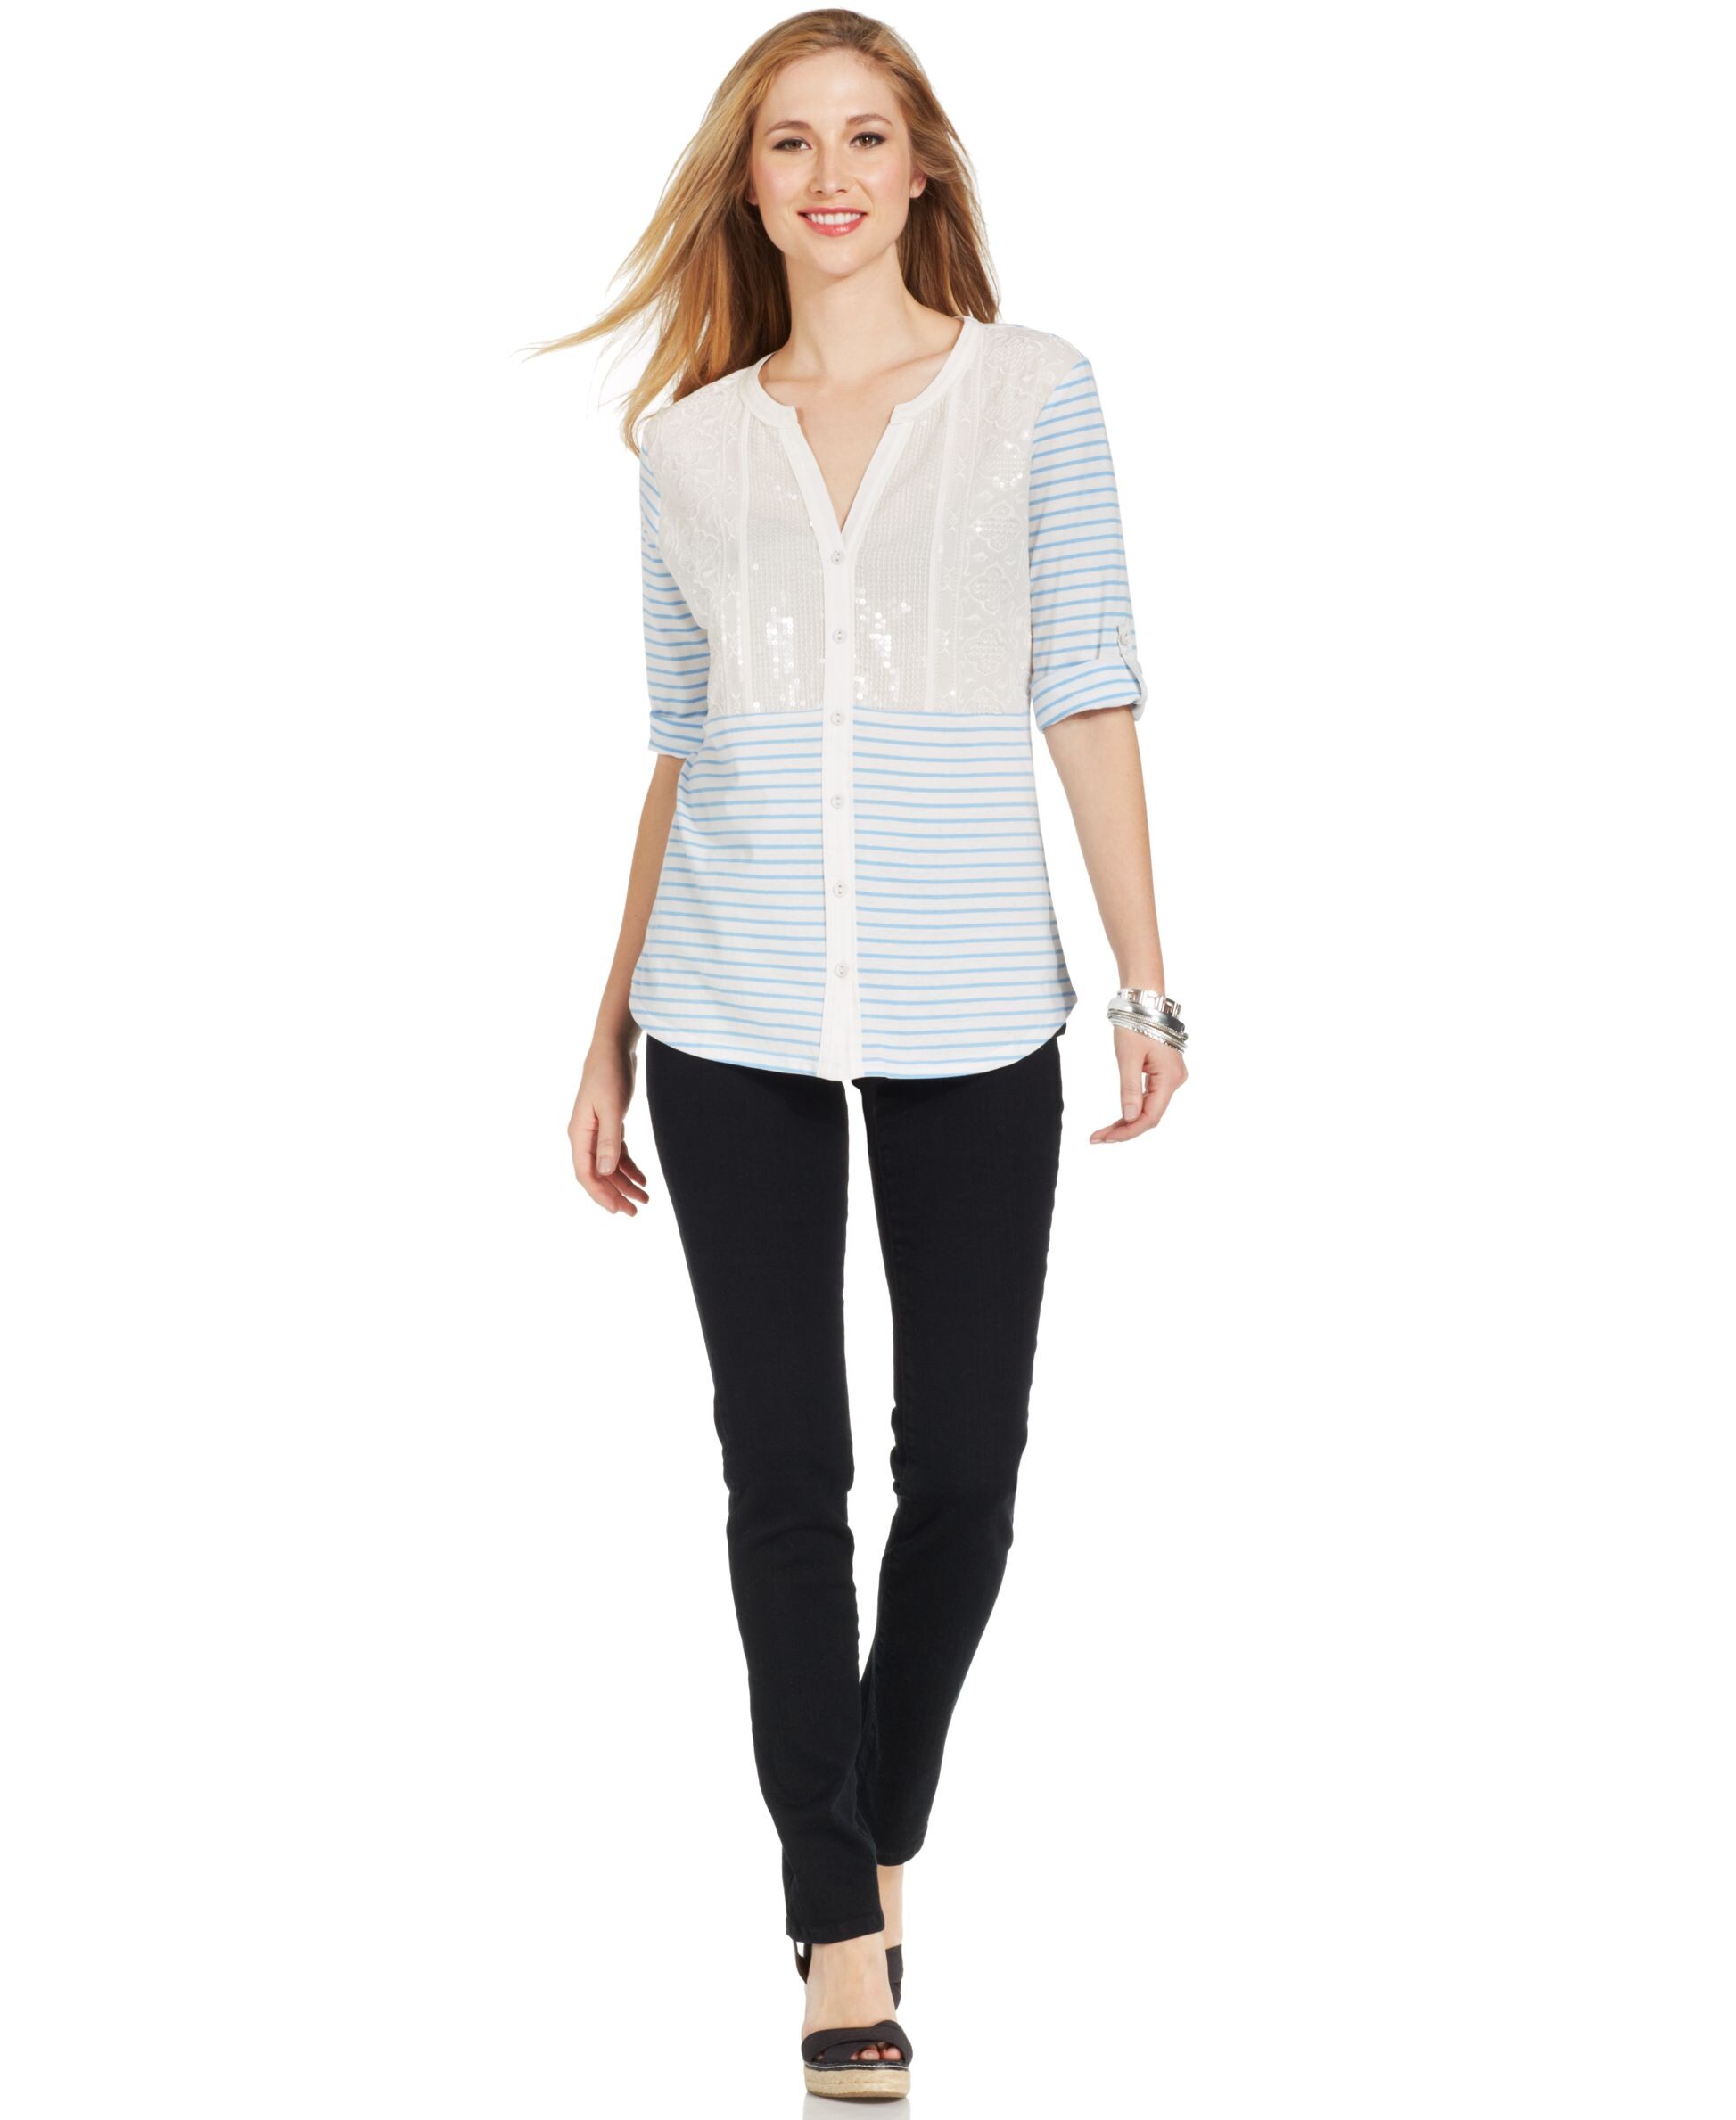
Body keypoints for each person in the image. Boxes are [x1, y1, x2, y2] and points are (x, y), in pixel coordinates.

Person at [541, 8, 1188, 2099]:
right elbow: (675, 746)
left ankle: (870, 1820)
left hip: (969, 994)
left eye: (863, 137)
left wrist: (1143, 982)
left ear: (920, 169)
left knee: (966, 1472)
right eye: (788, 143)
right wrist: (602, 1025)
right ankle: (837, 1926)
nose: (827, 175)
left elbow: (1085, 685)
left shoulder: (1033, 395)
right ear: (747, 186)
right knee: (779, 1473)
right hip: (723, 1005)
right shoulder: (684, 445)